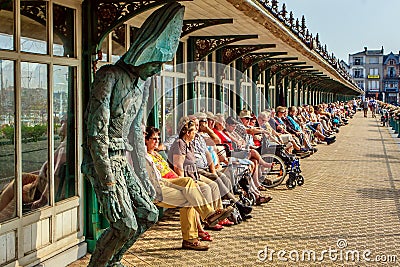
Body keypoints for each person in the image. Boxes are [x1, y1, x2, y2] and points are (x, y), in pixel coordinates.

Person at [81, 3, 185, 267]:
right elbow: (96, 132)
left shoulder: (142, 85)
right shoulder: (109, 75)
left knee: (149, 214)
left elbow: (137, 136)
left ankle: (113, 261)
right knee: (124, 223)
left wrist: (143, 176)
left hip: (122, 161)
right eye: (157, 63)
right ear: (144, 55)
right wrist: (106, 181)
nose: (158, 70)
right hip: (102, 161)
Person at [144, 126, 234, 250]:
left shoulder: (157, 155)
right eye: (153, 139)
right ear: (145, 140)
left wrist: (179, 181)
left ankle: (208, 216)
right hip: (157, 184)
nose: (157, 141)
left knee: (189, 183)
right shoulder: (143, 154)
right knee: (190, 196)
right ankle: (195, 233)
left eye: (158, 139)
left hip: (167, 180)